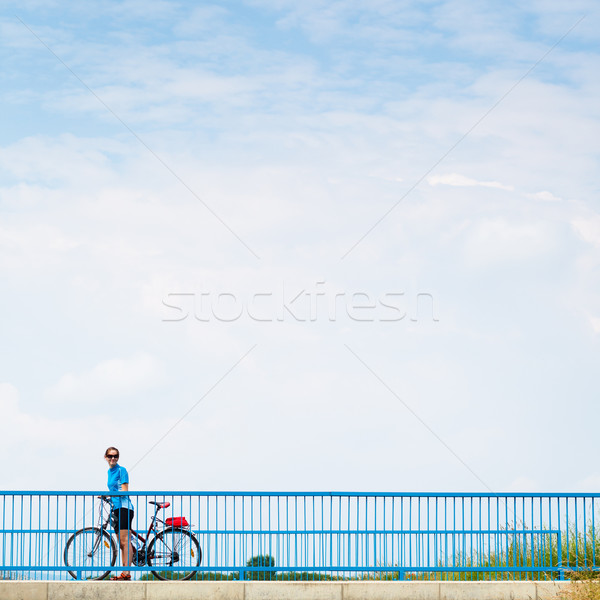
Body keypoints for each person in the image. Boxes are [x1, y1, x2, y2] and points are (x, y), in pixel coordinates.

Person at [105, 446, 135, 581]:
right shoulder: (109, 472)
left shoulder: (121, 470)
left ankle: (126, 573)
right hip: (116, 508)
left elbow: (124, 490)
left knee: (125, 541)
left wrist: (109, 494)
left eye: (115, 456)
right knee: (121, 543)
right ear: (106, 457)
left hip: (124, 507)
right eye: (110, 456)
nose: (113, 458)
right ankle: (125, 572)